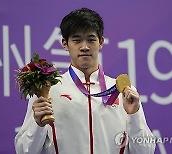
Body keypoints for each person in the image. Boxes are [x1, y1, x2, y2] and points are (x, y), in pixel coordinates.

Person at [15, 8, 155, 154]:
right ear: (65, 43)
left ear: (101, 42)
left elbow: (146, 151)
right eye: (76, 40)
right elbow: (24, 151)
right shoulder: (47, 90)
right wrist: (38, 125)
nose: (84, 47)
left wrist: (134, 116)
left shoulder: (123, 91)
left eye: (91, 39)